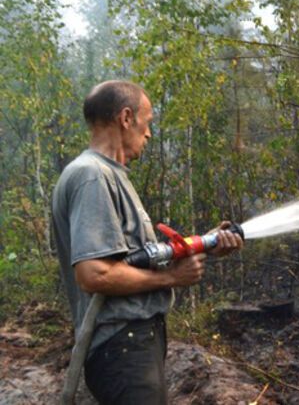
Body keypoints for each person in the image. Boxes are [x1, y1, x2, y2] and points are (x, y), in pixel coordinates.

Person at [51, 80, 243, 403]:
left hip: (128, 347)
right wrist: (172, 278)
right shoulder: (92, 176)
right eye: (148, 121)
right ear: (126, 118)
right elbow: (94, 274)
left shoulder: (108, 175)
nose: (150, 133)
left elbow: (136, 258)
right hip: (122, 347)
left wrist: (208, 243)